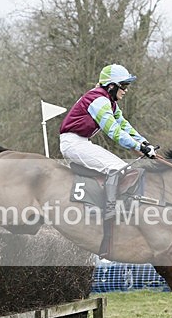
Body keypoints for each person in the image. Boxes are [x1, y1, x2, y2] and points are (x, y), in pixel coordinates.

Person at [59, 64, 157, 256]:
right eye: (124, 85)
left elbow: (124, 126)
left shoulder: (110, 103)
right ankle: (109, 211)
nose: (126, 90)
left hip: (81, 141)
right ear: (111, 86)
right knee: (118, 168)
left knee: (119, 167)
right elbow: (113, 131)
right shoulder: (99, 101)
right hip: (73, 142)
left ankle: (99, 204)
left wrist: (144, 142)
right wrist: (138, 147)